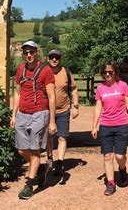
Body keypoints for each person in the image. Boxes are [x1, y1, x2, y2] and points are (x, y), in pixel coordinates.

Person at [10, 40, 57, 200]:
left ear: (36, 52)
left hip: (40, 113)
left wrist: (52, 121)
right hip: (23, 113)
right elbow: (17, 92)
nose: (28, 55)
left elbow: (51, 96)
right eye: (26, 52)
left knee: (35, 148)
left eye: (31, 52)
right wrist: (13, 114)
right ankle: (39, 169)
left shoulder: (45, 71)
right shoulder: (21, 69)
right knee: (21, 149)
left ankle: (29, 185)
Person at [91, 61, 128, 196]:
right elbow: (98, 108)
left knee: (120, 156)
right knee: (108, 156)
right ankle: (111, 183)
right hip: (106, 126)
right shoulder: (101, 88)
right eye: (105, 72)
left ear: (115, 73)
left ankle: (122, 169)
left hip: (122, 125)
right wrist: (94, 126)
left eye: (110, 72)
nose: (107, 74)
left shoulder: (123, 86)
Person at [45, 49, 79, 177]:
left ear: (60, 59)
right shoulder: (44, 72)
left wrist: (75, 106)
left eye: (57, 57)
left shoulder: (66, 72)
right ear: (48, 59)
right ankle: (49, 157)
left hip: (64, 109)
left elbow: (74, 89)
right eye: (52, 57)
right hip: (47, 110)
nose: (54, 59)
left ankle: (60, 162)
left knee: (62, 137)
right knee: (48, 136)